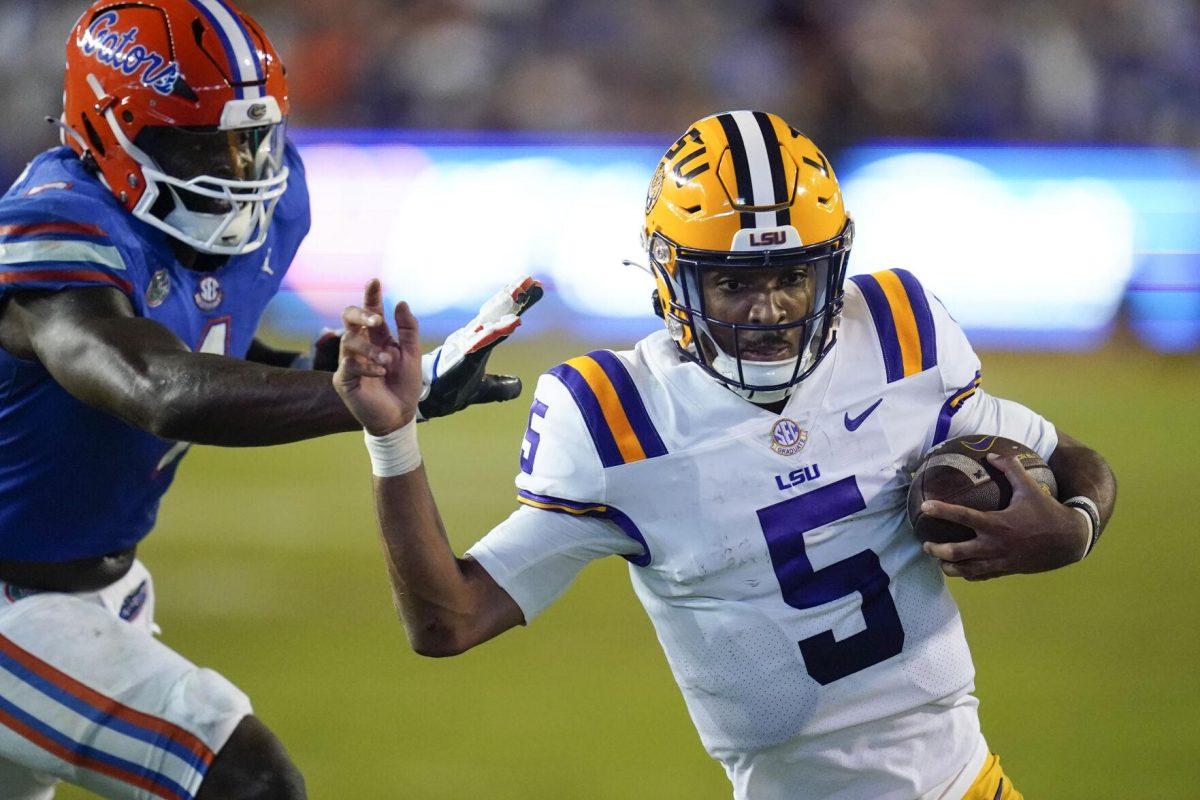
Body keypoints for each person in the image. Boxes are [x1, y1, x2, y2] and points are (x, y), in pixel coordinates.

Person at [333, 110, 1117, 799]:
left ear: (832, 269)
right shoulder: (618, 417)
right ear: (673, 280)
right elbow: (449, 622)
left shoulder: (899, 335)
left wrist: (1075, 526)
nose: (769, 309)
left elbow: (1074, 458)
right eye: (734, 284)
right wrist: (392, 435)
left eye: (790, 278)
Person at [0, 2, 539, 798]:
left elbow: (198, 337)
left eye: (249, 137)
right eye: (197, 140)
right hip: (19, 603)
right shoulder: (56, 227)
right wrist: (363, 400)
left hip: (86, 588)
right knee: (247, 782)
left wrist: (297, 368)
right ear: (108, 128)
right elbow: (153, 385)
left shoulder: (271, 206)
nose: (235, 166)